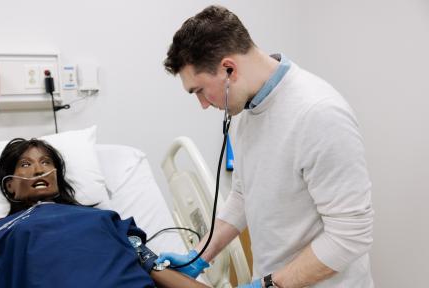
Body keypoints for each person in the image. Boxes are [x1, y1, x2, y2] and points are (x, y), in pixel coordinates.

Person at [157, 5, 374, 288]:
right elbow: (244, 195)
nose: (203, 104)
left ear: (229, 69)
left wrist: (269, 285)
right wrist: (197, 257)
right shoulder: (248, 109)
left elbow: (350, 235)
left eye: (199, 90)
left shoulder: (319, 114)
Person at [0, 138, 209, 288]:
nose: (38, 170)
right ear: (10, 185)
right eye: (25, 164)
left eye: (46, 162)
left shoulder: (106, 219)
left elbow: (153, 268)